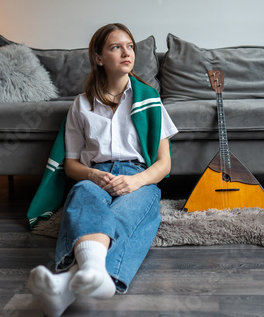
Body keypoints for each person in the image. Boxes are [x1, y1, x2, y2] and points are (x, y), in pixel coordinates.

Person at [27, 23, 178, 317]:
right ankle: (97, 277)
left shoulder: (150, 99)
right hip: (96, 174)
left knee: (124, 214)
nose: (126, 52)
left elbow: (164, 163)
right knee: (82, 195)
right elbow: (70, 165)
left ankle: (69, 285)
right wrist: (92, 175)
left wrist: (136, 182)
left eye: (130, 46)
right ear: (98, 58)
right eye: (115, 47)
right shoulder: (82, 105)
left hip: (138, 177)